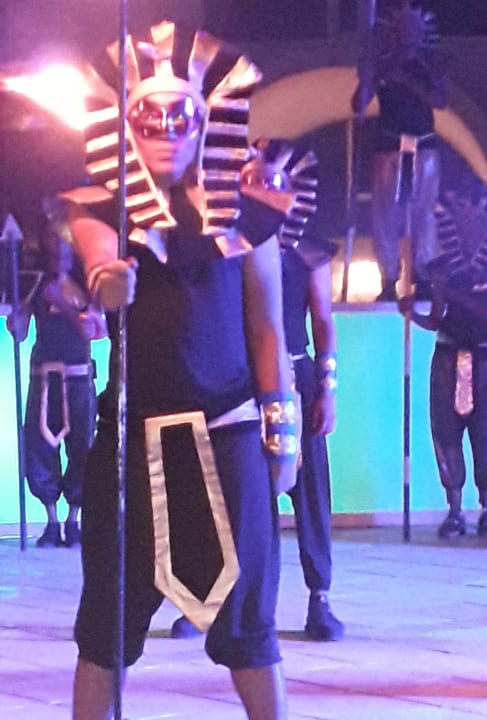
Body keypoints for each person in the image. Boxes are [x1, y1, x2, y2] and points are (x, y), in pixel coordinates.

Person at [60, 21, 300, 720]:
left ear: (206, 125)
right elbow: (98, 257)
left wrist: (281, 436)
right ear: (124, 127)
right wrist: (107, 280)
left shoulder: (250, 215)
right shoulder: (99, 209)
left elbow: (267, 326)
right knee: (105, 627)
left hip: (229, 440)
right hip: (131, 446)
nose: (164, 131)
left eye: (179, 118)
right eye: (149, 118)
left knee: (250, 624)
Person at [171, 140, 344, 642]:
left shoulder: (308, 250)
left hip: (298, 379)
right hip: (238, 384)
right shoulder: (226, 240)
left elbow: (323, 321)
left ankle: (320, 598)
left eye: (271, 182)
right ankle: (204, 601)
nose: (262, 189)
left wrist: (328, 389)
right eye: (253, 180)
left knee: (310, 493)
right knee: (223, 493)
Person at [398, 175, 487, 539]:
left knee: (486, 430)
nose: (468, 226)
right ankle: (454, 510)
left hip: (483, 358)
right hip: (448, 356)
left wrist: (457, 295)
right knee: (446, 430)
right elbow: (437, 320)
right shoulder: (443, 268)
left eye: (473, 218)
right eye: (460, 218)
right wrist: (411, 312)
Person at [6, 219, 105, 548]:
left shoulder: (87, 284)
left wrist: (66, 305)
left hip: (78, 377)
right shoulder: (35, 283)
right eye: (53, 241)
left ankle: (73, 520)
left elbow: (97, 330)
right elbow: (20, 332)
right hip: (44, 377)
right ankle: (51, 521)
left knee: (83, 447)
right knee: (39, 447)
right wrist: (16, 321)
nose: (59, 248)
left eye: (64, 240)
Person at [353, 0, 448, 301]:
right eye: (402, 27)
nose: (407, 33)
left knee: (425, 214)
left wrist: (405, 80)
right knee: (384, 216)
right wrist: (367, 79)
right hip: (389, 147)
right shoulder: (381, 63)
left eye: (412, 27)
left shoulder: (432, 63)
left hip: (424, 146)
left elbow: (440, 101)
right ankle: (389, 278)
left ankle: (423, 275)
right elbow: (358, 104)